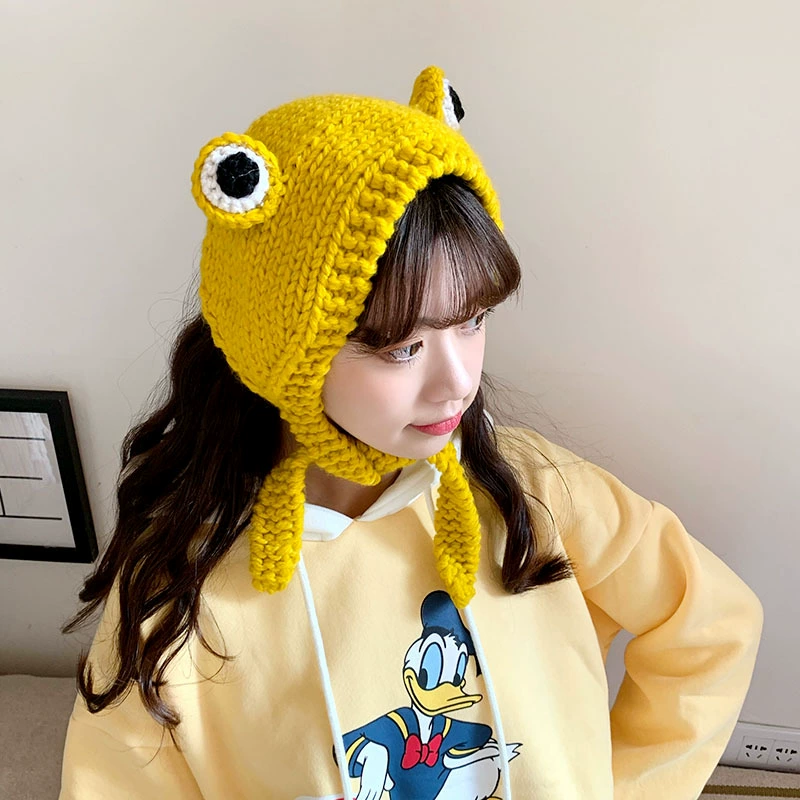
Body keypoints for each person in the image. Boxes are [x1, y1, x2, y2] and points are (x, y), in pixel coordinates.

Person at [58, 66, 763, 800]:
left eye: (473, 320)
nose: (457, 380)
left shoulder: (535, 492)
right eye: (402, 347)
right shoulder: (184, 580)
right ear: (280, 346)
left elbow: (710, 627)